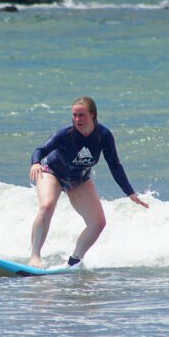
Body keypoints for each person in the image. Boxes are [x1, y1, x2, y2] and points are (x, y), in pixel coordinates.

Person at [29, 96, 149, 268]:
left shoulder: (104, 135)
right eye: (74, 115)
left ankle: (75, 260)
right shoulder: (65, 134)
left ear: (93, 115)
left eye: (82, 115)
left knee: (98, 223)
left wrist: (129, 192)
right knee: (47, 205)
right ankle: (34, 256)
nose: (77, 119)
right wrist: (35, 162)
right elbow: (41, 150)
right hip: (51, 172)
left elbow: (114, 165)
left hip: (79, 179)